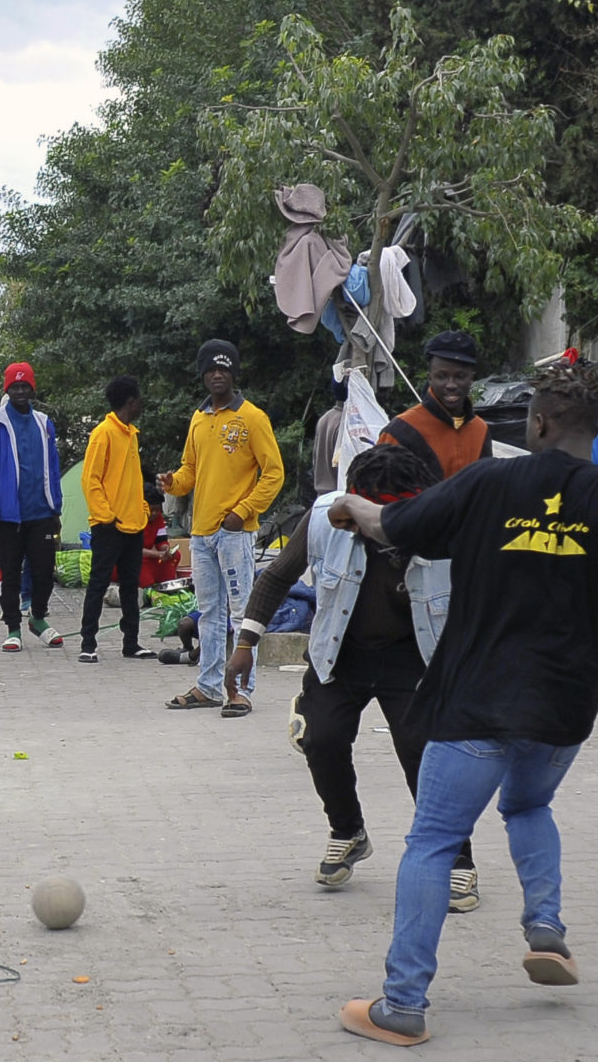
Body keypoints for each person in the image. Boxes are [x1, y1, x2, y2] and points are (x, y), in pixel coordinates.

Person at [327, 361, 598, 1047]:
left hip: (477, 701)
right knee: (528, 806)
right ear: (595, 431)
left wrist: (350, 506)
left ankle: (403, 1004)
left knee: (433, 842)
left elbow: (390, 525)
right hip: (563, 706)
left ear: (536, 423)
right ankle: (546, 928)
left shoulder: (486, 482)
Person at [228, 442, 480, 911]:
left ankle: (456, 857)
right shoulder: (326, 518)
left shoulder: (448, 529)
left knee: (423, 755)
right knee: (320, 739)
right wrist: (246, 643)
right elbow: (277, 577)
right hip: (340, 652)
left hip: (414, 657)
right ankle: (347, 831)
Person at [159, 339, 283, 716]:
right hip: (201, 534)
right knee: (209, 612)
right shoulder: (199, 418)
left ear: (233, 374)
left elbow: (274, 473)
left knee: (242, 612)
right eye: (211, 369)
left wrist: (243, 511)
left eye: (224, 369)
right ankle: (209, 687)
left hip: (234, 533)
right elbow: (190, 470)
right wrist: (173, 483)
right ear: (202, 375)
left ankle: (240, 691)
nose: (217, 375)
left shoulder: (252, 418)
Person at [0, 363, 64, 652]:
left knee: (44, 570)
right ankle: (13, 628)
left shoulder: (43, 423)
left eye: (25, 386)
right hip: (8, 517)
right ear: (7, 390)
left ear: (32, 389)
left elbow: (53, 467)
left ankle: (38, 618)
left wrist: (56, 508)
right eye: (15, 387)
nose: (21, 391)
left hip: (41, 512)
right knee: (10, 573)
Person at [79, 376, 156, 664]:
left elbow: (132, 480)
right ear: (131, 402)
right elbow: (90, 479)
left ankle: (131, 643)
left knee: (130, 586)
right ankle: (88, 643)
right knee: (98, 583)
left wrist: (143, 510)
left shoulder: (131, 434)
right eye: (139, 400)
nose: (141, 405)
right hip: (108, 526)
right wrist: (106, 517)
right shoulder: (104, 433)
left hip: (133, 524)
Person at [379, 330, 493, 479]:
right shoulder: (401, 431)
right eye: (442, 376)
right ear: (430, 378)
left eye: (460, 376)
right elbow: (377, 488)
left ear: (471, 378)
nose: (451, 385)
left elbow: (487, 486)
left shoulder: (480, 431)